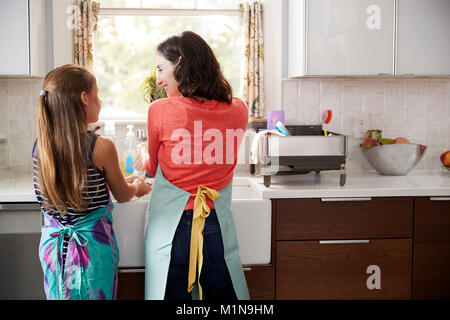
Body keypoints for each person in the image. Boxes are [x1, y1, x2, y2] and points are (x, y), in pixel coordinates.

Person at [135, 31, 250, 300]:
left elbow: (152, 169)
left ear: (181, 64)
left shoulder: (160, 110)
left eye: (162, 69)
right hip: (216, 226)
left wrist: (143, 155)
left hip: (172, 230)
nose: (160, 79)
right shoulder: (239, 109)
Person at [33, 64, 152, 300]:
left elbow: (72, 186)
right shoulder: (101, 147)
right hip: (91, 252)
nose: (100, 101)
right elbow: (123, 194)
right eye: (97, 95)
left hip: (54, 252)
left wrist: (122, 179)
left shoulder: (41, 146)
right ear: (84, 98)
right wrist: (137, 186)